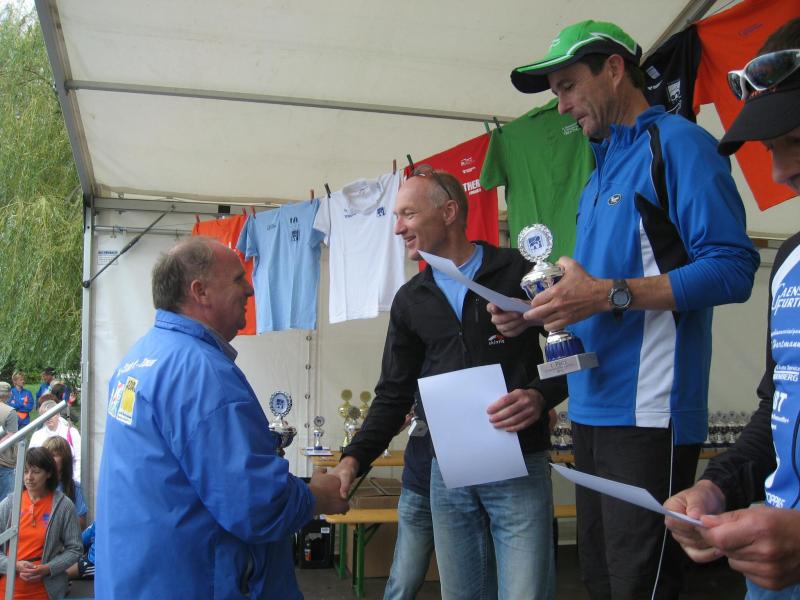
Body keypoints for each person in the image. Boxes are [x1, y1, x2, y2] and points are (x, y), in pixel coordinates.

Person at [492, 20, 761, 599]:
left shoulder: (679, 144)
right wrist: (541, 309)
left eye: (568, 86)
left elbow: (734, 267)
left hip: (649, 412)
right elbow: (595, 289)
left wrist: (607, 294)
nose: (562, 106)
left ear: (614, 69)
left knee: (641, 585)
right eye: (556, 93)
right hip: (590, 408)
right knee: (600, 581)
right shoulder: (598, 172)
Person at [331, 168, 568, 599]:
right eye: (396, 217)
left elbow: (573, 348)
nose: (398, 228)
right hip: (447, 475)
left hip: (519, 464)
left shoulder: (519, 271)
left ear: (449, 212)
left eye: (408, 214)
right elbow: (393, 394)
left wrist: (540, 396)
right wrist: (353, 459)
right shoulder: (410, 299)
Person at [95, 236, 349, 600]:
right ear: (200, 291)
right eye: (237, 279)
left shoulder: (140, 358)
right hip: (195, 582)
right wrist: (316, 497)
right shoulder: (202, 373)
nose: (250, 289)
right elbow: (256, 504)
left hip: (142, 578)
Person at [664, 18, 800, 598]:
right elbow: (779, 412)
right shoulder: (790, 261)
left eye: (796, 140)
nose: (780, 173)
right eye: (771, 149)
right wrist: (715, 487)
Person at [0, 447, 81, 600]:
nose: (29, 477)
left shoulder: (64, 506)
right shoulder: (9, 504)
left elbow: (75, 549)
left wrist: (47, 568)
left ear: (49, 473)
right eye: (25, 472)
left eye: (36, 472)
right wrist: (14, 565)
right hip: (6, 591)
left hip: (46, 592)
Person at [29, 400, 81, 484]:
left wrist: (75, 480)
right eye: (45, 415)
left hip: (68, 481)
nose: (48, 418)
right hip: (44, 483)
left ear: (58, 414)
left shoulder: (72, 432)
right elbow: (32, 461)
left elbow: (79, 459)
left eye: (51, 414)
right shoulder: (37, 436)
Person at [42, 437, 87, 530]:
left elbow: (81, 522)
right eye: (47, 455)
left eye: (54, 455)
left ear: (65, 459)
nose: (49, 459)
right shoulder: (38, 485)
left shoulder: (74, 488)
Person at [0, 382, 18, 501]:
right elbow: (12, 436)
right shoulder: (10, 411)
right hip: (5, 462)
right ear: (9, 394)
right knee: (7, 502)